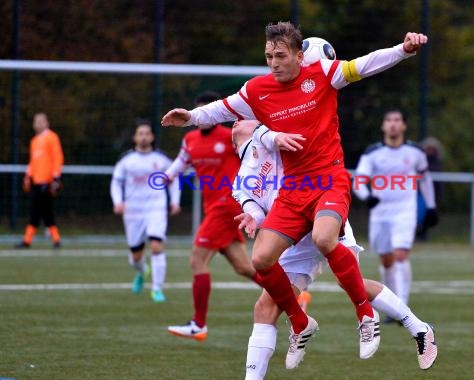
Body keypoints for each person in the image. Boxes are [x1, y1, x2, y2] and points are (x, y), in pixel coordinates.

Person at [162, 21, 428, 366]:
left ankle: (401, 323)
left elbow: (365, 64)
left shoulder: (320, 77)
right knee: (263, 292)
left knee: (342, 265)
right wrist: (191, 118)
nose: (272, 62)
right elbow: (225, 116)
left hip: (323, 194)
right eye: (268, 56)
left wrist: (403, 50)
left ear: (300, 57)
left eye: (280, 55)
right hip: (291, 207)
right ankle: (300, 324)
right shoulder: (255, 113)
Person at [231, 120, 437, 377]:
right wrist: (253, 217)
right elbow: (254, 209)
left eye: (242, 117)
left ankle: (417, 327)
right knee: (264, 308)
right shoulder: (240, 182)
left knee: (351, 282)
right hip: (293, 236)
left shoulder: (273, 138)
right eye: (234, 122)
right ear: (234, 140)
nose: (238, 121)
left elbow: (276, 123)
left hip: (322, 213)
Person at [165, 91, 255, 341]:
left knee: (197, 260)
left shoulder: (230, 137)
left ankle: (198, 324)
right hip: (215, 208)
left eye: (209, 111)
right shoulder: (190, 140)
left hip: (227, 207)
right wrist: (164, 178)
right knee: (244, 268)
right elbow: (180, 164)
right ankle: (294, 297)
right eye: (199, 112)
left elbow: (253, 159)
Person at [353, 110, 438, 313]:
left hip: (405, 212)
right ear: (383, 126)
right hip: (380, 214)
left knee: (400, 255)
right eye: (389, 120)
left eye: (397, 120)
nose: (393, 124)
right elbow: (359, 181)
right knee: (386, 260)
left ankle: (402, 306)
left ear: (404, 126)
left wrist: (432, 205)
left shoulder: (415, 152)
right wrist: (367, 197)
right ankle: (391, 303)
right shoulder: (372, 153)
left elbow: (425, 179)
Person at [110, 120, 181, 302]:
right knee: (135, 256)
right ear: (134, 137)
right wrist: (118, 202)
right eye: (140, 133)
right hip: (133, 211)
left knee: (156, 245)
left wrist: (175, 201)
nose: (143, 136)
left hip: (156, 208)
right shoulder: (126, 160)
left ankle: (157, 289)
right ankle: (143, 271)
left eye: (147, 133)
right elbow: (116, 182)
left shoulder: (162, 159)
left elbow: (173, 179)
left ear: (152, 137)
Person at [16, 113, 64, 249]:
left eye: (41, 121)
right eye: (36, 121)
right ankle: (55, 239)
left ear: (47, 123)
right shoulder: (34, 141)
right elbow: (33, 162)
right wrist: (28, 175)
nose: (38, 124)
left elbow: (57, 157)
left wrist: (56, 177)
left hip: (47, 182)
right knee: (42, 211)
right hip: (36, 182)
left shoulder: (52, 137)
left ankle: (27, 240)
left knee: (39, 211)